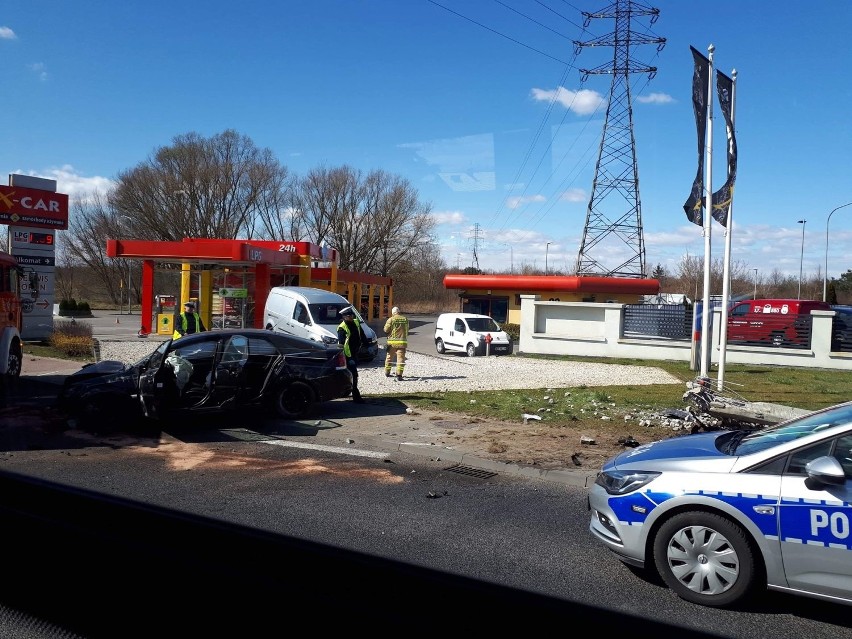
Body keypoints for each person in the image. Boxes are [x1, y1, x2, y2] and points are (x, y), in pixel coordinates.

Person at [337, 306, 366, 403]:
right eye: (348, 316)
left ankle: (347, 393)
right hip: (347, 355)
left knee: (352, 375)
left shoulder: (356, 322)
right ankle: (356, 397)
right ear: (344, 317)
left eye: (351, 315)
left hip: (355, 353)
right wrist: (348, 358)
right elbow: (341, 344)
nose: (350, 317)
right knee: (353, 374)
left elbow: (362, 334)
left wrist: (367, 345)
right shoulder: (341, 328)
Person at [383, 306, 409, 380]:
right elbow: (407, 330)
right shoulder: (405, 319)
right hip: (402, 343)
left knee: (389, 358)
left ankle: (387, 372)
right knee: (401, 359)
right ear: (399, 312)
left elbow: (386, 330)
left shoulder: (391, 319)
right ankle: (399, 375)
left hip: (392, 343)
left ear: (392, 313)